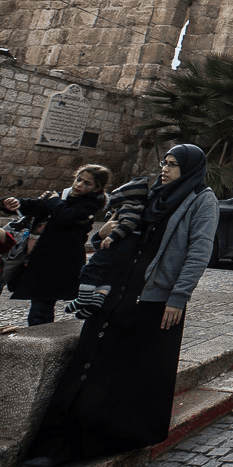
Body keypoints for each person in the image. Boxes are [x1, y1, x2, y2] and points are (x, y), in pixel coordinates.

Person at [22, 144, 218, 466]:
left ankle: (115, 437)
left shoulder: (201, 200)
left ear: (190, 169)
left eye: (172, 165)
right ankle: (60, 443)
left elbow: (199, 251)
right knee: (90, 363)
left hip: (155, 298)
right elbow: (117, 237)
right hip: (117, 289)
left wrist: (178, 297)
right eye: (164, 163)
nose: (164, 169)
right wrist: (103, 233)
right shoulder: (151, 195)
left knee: (128, 372)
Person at [2, 164, 110, 326]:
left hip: (59, 265)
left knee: (41, 309)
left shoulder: (90, 204)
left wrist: (53, 201)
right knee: (38, 306)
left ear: (97, 188)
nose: (79, 185)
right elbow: (35, 205)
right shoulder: (62, 196)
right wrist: (11, 203)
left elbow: (66, 216)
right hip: (40, 261)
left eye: (87, 183)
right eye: (78, 180)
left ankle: (40, 344)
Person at [63, 171, 147, 319]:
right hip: (123, 253)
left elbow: (127, 224)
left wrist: (112, 236)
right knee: (106, 276)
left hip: (117, 247)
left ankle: (83, 299)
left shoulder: (131, 206)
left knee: (90, 269)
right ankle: (96, 301)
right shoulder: (135, 208)